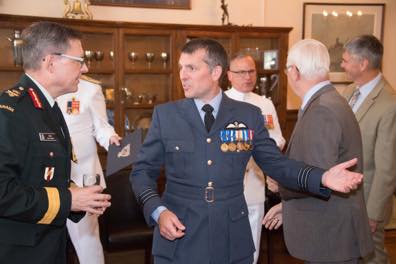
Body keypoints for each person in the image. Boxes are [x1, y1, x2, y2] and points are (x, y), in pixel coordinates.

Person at [130, 38, 363, 264]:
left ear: (215, 72)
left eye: (191, 67)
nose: (183, 75)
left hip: (231, 236)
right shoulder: (166, 115)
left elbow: (277, 164)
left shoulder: (248, 115)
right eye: (181, 67)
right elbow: (141, 172)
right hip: (180, 233)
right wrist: (158, 212)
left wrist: (321, 176)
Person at [0, 21, 111, 263]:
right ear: (51, 63)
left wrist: (80, 197)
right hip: (21, 252)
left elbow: (41, 175)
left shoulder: (48, 106)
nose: (85, 69)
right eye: (79, 61)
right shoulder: (11, 112)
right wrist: (70, 199)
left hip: (49, 247)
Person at [263, 39, 373, 263]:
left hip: (329, 237)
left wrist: (280, 186)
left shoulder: (321, 110)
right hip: (332, 233)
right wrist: (287, 205)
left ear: (294, 72)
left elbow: (319, 176)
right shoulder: (332, 101)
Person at [225, 53, 285, 264]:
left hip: (254, 185)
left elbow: (277, 138)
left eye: (251, 71)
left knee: (251, 248)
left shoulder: (265, 104)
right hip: (226, 188)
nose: (247, 77)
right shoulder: (220, 102)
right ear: (229, 75)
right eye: (241, 72)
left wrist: (264, 148)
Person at [341, 35, 396, 264]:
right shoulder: (350, 92)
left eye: (345, 60)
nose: (342, 65)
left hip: (367, 200)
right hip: (345, 194)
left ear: (362, 63)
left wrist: (373, 213)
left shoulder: (389, 104)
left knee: (372, 256)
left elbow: (387, 169)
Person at [57, 75, 120, 264]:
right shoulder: (37, 88)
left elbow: (101, 126)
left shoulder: (89, 89)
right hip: (48, 179)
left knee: (87, 241)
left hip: (84, 178)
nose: (84, 68)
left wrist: (112, 139)